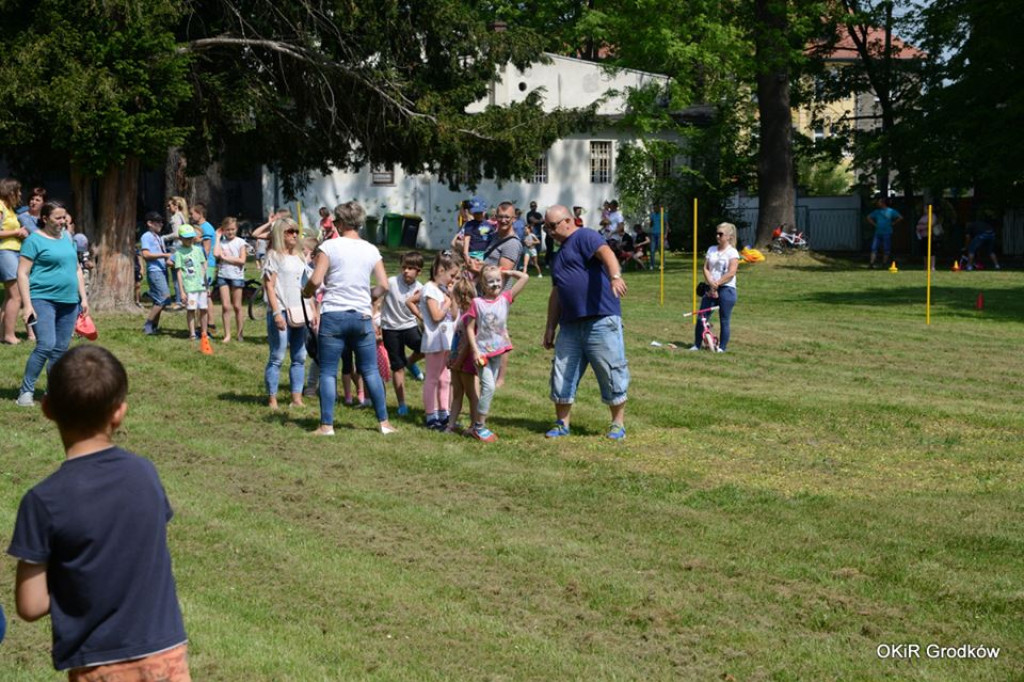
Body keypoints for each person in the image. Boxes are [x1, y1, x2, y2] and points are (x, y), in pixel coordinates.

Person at [7, 345, 190, 679]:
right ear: (119, 412)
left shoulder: (42, 501)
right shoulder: (145, 474)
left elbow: (30, 605)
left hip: (100, 664)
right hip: (166, 652)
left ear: (47, 409)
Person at [302, 201, 396, 436]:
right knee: (370, 370)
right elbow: (383, 285)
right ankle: (384, 423)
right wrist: (368, 295)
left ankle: (327, 425)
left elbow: (315, 280)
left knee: (328, 371)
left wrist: (305, 293)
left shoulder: (330, 247)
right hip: (362, 315)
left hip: (334, 314)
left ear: (340, 223)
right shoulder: (371, 249)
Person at [542, 204, 629, 441]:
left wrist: (615, 276)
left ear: (568, 221)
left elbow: (606, 253)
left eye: (552, 225)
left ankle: (617, 424)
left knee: (611, 371)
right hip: (570, 325)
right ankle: (562, 423)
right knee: (561, 373)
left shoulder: (584, 236)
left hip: (600, 319)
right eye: (545, 227)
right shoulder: (557, 257)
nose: (548, 231)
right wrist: (550, 326)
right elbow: (557, 293)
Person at [15, 201, 89, 407]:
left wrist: (83, 297)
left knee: (60, 350)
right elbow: (22, 273)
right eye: (57, 218)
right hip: (42, 299)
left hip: (69, 302)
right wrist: (27, 305)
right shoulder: (34, 241)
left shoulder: (67, 238)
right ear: (45, 218)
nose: (62, 221)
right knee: (46, 345)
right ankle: (26, 392)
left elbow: (76, 269)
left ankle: (53, 392)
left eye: (64, 217)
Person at [464, 266, 528, 442]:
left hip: (497, 351)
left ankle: (475, 425)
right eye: (490, 281)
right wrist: (475, 351)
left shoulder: (505, 299)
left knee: (487, 389)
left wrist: (507, 273)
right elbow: (469, 328)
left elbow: (525, 278)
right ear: (483, 285)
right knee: (489, 387)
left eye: (497, 281)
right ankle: (479, 427)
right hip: (482, 353)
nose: (495, 284)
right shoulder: (477, 303)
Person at [263, 217, 312, 410]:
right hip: (281, 310)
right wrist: (276, 313)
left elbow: (306, 286)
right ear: (280, 234)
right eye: (289, 232)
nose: (294, 235)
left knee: (299, 357)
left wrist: (312, 311)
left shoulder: (300, 257)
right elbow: (269, 286)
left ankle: (296, 397)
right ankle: (272, 398)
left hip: (299, 312)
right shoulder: (273, 256)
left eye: (295, 232)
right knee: (277, 356)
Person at [413, 251, 459, 430]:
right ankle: (431, 415)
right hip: (434, 341)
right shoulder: (430, 289)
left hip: (446, 340)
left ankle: (444, 412)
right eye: (451, 275)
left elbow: (454, 315)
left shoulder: (445, 290)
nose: (452, 280)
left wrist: (452, 297)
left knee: (445, 378)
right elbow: (436, 316)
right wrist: (447, 301)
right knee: (432, 378)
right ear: (440, 270)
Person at [381, 251, 425, 417]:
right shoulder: (391, 283)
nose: (406, 271)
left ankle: (411, 362)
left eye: (411, 268)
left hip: (409, 326)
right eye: (404, 267)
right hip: (390, 329)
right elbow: (377, 299)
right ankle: (402, 404)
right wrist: (376, 318)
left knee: (425, 348)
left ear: (419, 271)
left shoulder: (421, 288)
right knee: (397, 366)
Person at [691, 222, 740, 352]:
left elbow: (731, 273)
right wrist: (710, 283)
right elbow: (706, 268)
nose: (718, 236)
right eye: (717, 233)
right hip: (710, 287)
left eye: (721, 234)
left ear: (729, 236)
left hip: (727, 289)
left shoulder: (733, 252)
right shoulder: (711, 249)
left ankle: (722, 348)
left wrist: (717, 284)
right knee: (702, 316)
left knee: (724, 319)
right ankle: (696, 344)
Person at [446, 277, 480, 434]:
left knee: (471, 395)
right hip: (455, 359)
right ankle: (450, 425)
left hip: (465, 362)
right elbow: (456, 338)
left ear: (460, 297)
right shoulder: (462, 314)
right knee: (457, 394)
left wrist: (459, 361)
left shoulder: (470, 317)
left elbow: (467, 343)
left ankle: (474, 425)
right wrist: (451, 357)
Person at [1, 178, 31, 344]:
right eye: (18, 191)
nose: (20, 194)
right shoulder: (0, 206)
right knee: (16, 296)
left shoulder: (9, 208)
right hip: (4, 252)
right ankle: (9, 335)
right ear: (10, 191)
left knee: (8, 296)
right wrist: (16, 232)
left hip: (12, 251)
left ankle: (2, 333)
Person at [214, 216, 248, 342]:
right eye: (227, 229)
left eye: (233, 229)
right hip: (223, 276)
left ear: (237, 229)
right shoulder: (222, 243)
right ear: (223, 230)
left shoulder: (240, 242)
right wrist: (217, 237)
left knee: (237, 306)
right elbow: (216, 254)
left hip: (236, 277)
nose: (230, 232)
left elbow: (242, 260)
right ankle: (227, 334)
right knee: (225, 306)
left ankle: (240, 333)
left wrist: (227, 258)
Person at [173, 224, 209, 342]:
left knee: (203, 309)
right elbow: (178, 272)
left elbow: (204, 267)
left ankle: (204, 332)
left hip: (201, 286)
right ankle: (192, 333)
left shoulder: (198, 250)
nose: (189, 240)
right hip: (189, 287)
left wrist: (207, 285)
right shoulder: (178, 253)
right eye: (186, 238)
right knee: (191, 309)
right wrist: (182, 291)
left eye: (190, 238)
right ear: (180, 238)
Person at [141, 211, 174, 335]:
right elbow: (146, 254)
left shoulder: (159, 238)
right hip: (155, 272)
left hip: (163, 270)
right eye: (157, 222)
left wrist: (170, 261)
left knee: (159, 301)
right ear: (149, 223)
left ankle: (154, 326)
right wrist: (164, 255)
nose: (161, 224)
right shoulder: (146, 236)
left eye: (161, 222)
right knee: (162, 299)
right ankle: (148, 325)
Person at [867, 196, 902, 268]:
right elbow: (868, 217)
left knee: (886, 248)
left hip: (887, 232)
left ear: (883, 203)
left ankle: (884, 263)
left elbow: (900, 217)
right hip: (878, 232)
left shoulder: (891, 211)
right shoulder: (877, 212)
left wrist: (893, 223)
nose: (878, 203)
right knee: (874, 248)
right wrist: (874, 224)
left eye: (879, 202)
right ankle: (871, 263)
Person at [460, 197, 493, 265]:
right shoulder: (469, 225)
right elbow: (467, 239)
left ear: (484, 211)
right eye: (476, 213)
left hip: (486, 254)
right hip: (473, 254)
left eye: (480, 212)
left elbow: (493, 239)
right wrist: (465, 254)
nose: (478, 215)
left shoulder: (489, 225)